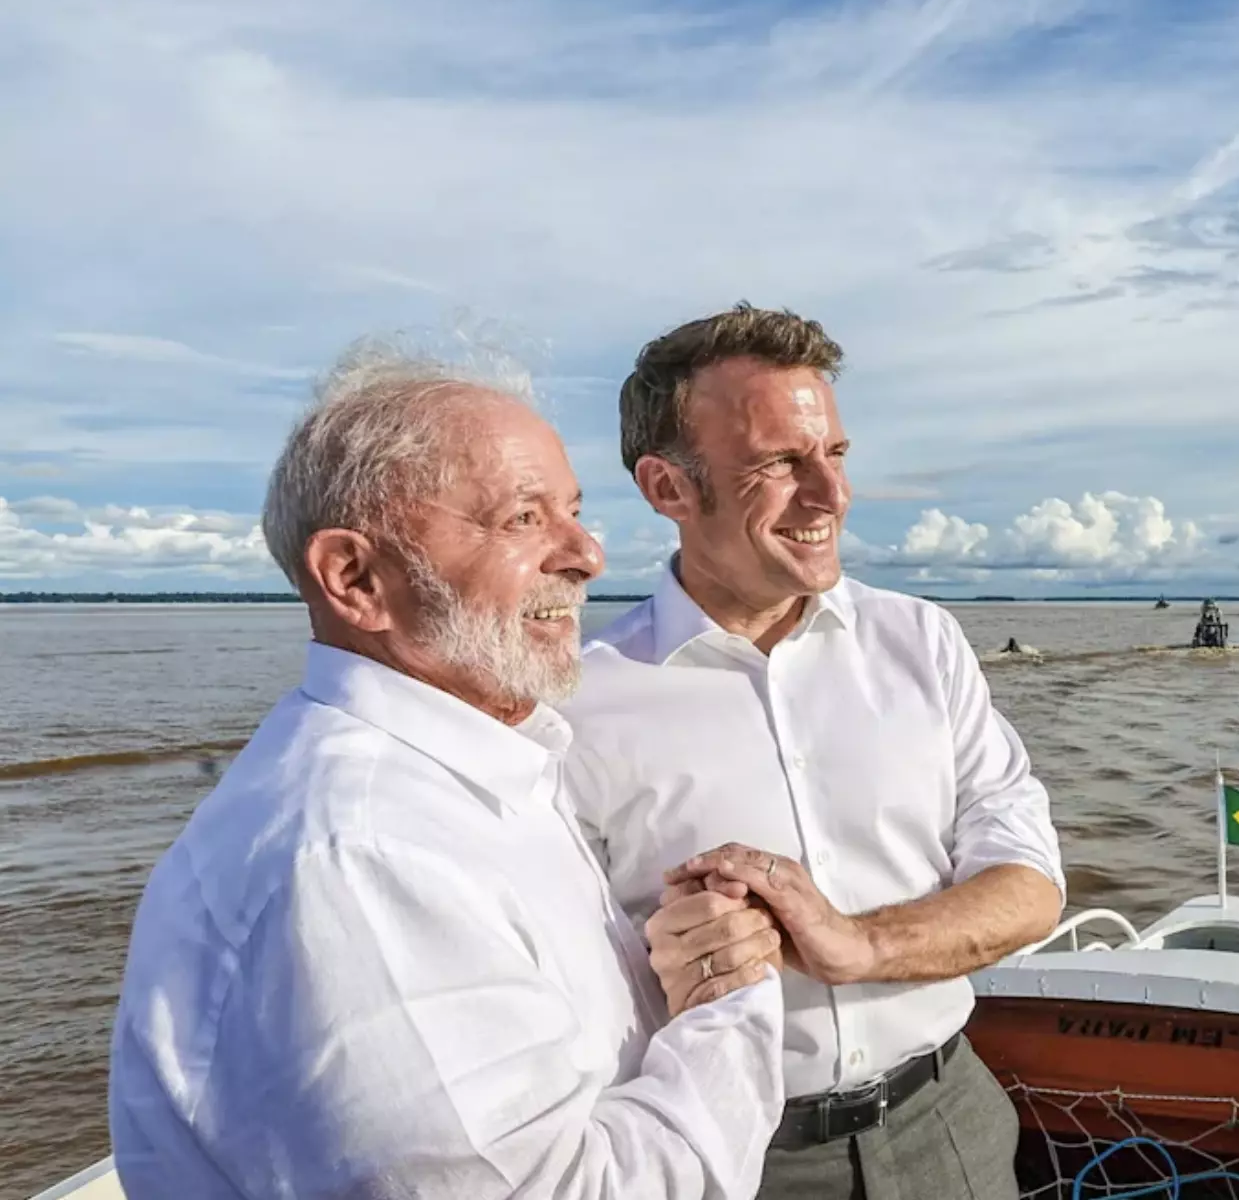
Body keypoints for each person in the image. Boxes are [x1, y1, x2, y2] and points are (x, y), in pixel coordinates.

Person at [109, 342, 788, 1199]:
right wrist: (729, 1004)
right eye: (522, 518)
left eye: (574, 512)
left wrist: (666, 962)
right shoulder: (362, 859)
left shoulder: (469, 776)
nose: (587, 554)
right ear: (355, 578)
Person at [566, 305, 1064, 1200]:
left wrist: (856, 944)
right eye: (779, 464)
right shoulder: (574, 701)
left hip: (950, 1122)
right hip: (732, 1160)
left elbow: (1031, 885)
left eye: (834, 453)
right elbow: (544, 968)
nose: (831, 495)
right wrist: (661, 957)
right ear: (667, 488)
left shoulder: (923, 643)